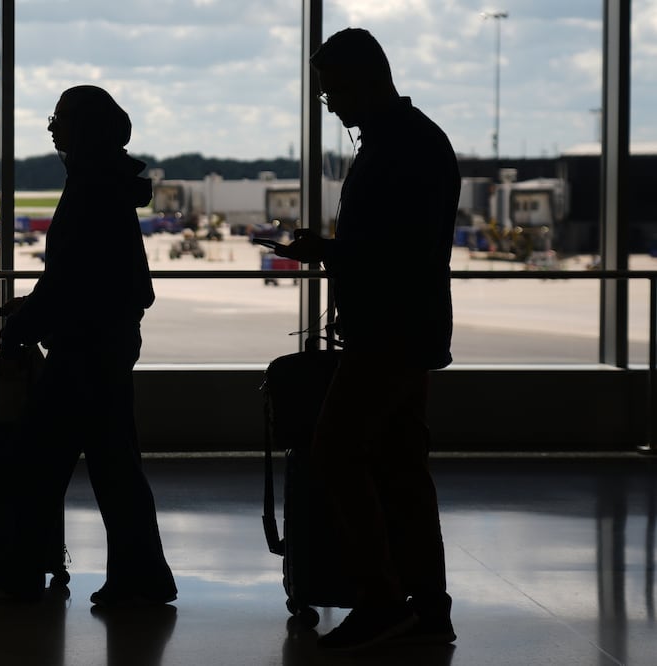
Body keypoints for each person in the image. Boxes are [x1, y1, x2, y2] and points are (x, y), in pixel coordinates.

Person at [0, 85, 177, 606]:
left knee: (37, 465)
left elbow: (72, 276)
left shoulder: (90, 188)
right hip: (105, 343)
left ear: (85, 129)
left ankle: (13, 573)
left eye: (60, 118)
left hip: (83, 349)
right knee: (110, 468)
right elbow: (91, 275)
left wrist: (25, 325)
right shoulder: (108, 184)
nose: (50, 127)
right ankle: (139, 577)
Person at [272, 28, 459, 651]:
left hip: (390, 333)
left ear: (366, 80)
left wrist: (325, 251)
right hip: (406, 330)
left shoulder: (400, 147)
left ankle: (381, 601)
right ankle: (429, 606)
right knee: (402, 469)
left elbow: (392, 254)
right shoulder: (408, 140)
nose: (329, 104)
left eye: (334, 89)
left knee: (336, 454)